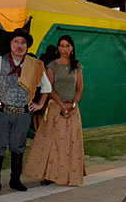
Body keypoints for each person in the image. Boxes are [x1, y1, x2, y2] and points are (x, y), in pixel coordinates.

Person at [0, 28, 51, 195]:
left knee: (18, 147)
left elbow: (47, 87)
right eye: (16, 42)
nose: (19, 46)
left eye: (23, 43)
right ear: (10, 44)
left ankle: (15, 180)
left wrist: (39, 104)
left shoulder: (34, 65)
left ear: (27, 46)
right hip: (1, 111)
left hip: (22, 113)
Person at [23, 35, 85, 186]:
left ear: (72, 48)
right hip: (56, 107)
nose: (64, 49)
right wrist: (62, 105)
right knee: (53, 141)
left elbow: (80, 88)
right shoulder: (52, 66)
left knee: (70, 142)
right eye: (62, 45)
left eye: (67, 46)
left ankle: (69, 174)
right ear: (58, 48)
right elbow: (49, 88)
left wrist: (73, 106)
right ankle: (48, 174)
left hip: (72, 109)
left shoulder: (77, 66)